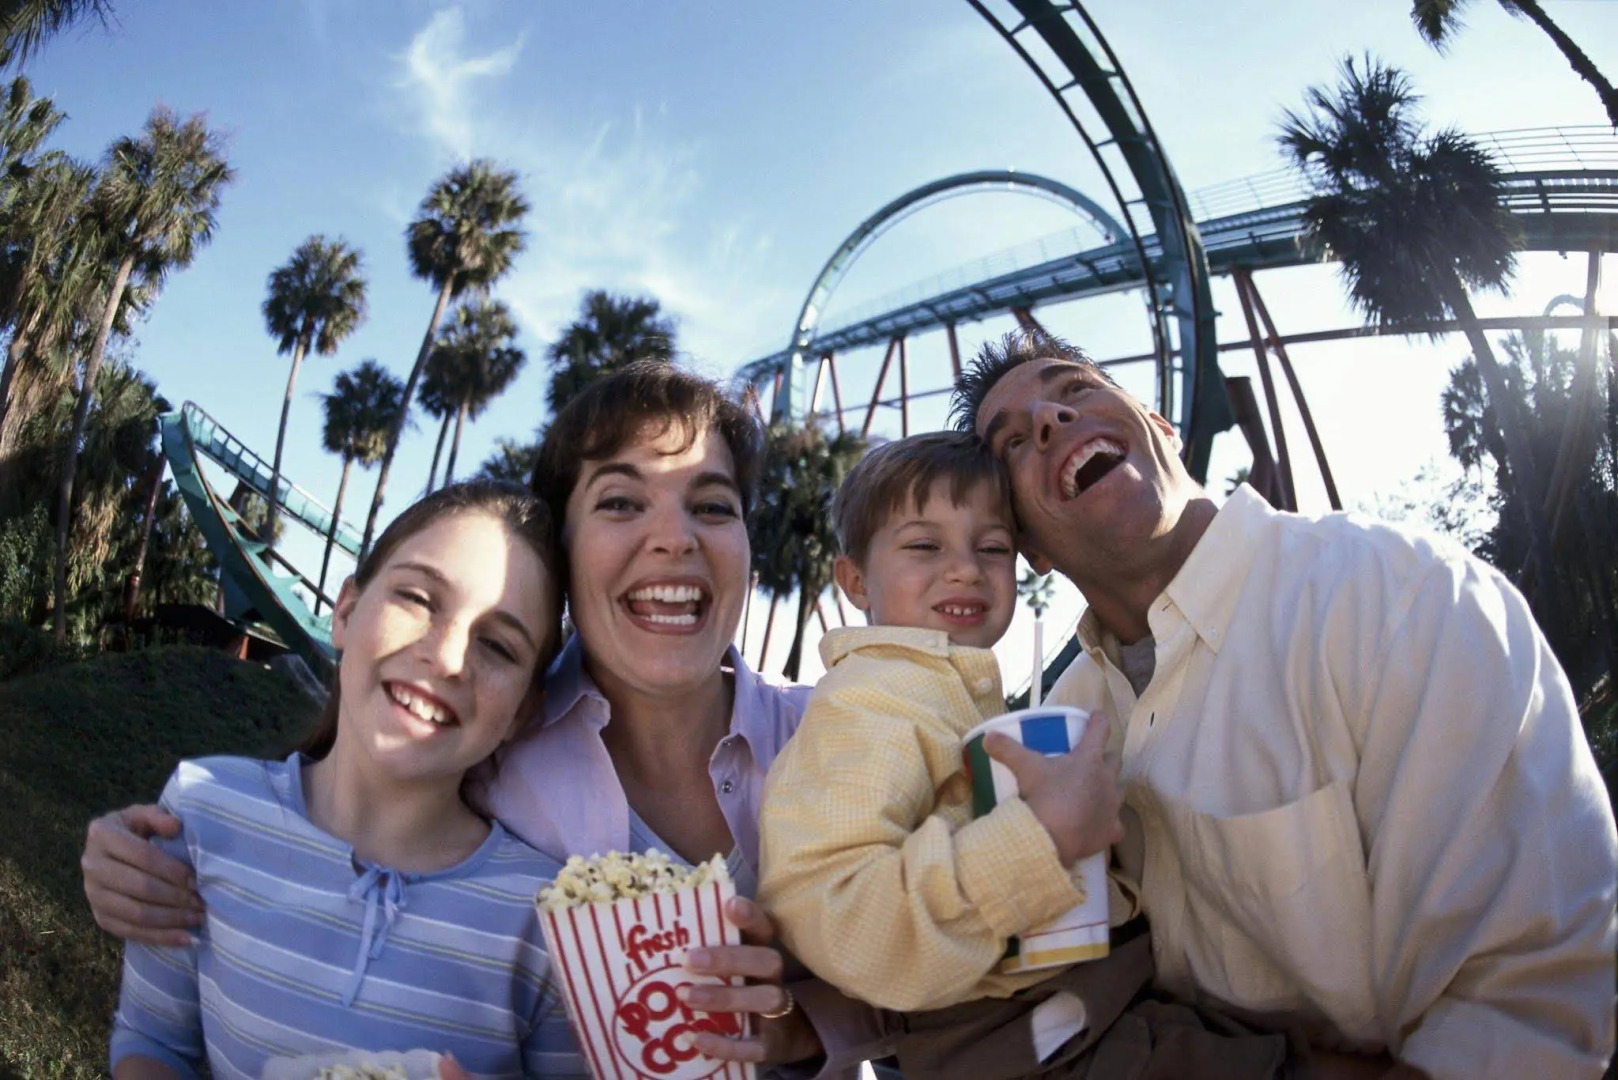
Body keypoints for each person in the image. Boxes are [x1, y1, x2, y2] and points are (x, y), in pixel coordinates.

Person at [82, 362, 907, 1077]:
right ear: (567, 552)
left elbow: (964, 975)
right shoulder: (496, 758)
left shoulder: (849, 740)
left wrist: (799, 1026)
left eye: (713, 506)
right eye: (621, 502)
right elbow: (338, 813)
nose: (673, 538)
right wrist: (135, 850)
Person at [956, 329, 1618, 1080]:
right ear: (1030, 549)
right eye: (1012, 442)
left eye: (1074, 388)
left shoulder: (1398, 596)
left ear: (1162, 427)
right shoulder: (1049, 737)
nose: (1048, 419)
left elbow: (1529, 1007)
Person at [758, 431, 1296, 1080]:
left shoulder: (949, 695)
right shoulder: (870, 703)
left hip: (1083, 1005)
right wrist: (1041, 838)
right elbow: (837, 913)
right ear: (853, 580)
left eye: (992, 548)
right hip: (1026, 1037)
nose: (965, 568)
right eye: (925, 545)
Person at [110, 481, 573, 1078]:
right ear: (347, 612)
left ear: (524, 713)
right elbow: (153, 1041)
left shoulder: (547, 917)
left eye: (499, 646)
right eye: (419, 598)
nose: (448, 657)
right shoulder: (204, 811)